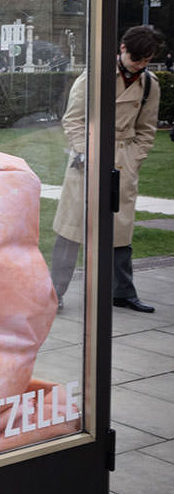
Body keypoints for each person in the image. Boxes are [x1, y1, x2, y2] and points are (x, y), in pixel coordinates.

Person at [51, 24, 162, 313]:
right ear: (122, 49)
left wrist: (133, 159)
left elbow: (147, 129)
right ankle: (54, 292)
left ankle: (122, 292)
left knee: (120, 230)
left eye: (146, 60)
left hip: (123, 162)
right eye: (136, 59)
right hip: (86, 161)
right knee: (71, 231)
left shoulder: (149, 84)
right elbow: (73, 120)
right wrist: (87, 153)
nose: (140, 65)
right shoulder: (94, 77)